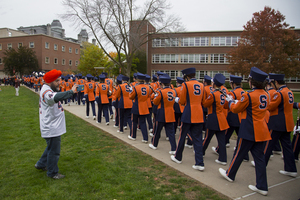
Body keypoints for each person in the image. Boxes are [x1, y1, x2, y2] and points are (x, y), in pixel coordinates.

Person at [219, 67, 271, 196]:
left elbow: (236, 109)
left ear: (252, 81)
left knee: (239, 153)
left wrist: (230, 102)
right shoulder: (266, 94)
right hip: (261, 129)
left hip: (249, 129)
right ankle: (262, 186)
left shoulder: (249, 95)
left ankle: (230, 174)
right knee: (259, 159)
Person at [35, 69, 77, 179]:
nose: (60, 83)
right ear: (50, 82)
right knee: (54, 151)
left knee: (50, 147)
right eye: (57, 81)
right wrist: (71, 92)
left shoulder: (48, 88)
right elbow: (56, 97)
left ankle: (40, 164)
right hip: (51, 126)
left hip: (52, 125)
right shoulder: (46, 92)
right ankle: (52, 172)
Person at [171, 67, 205, 171]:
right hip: (199, 113)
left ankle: (178, 157)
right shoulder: (202, 85)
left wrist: (177, 100)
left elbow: (183, 100)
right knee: (198, 139)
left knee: (182, 136)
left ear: (186, 77)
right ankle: (199, 163)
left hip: (188, 113)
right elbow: (203, 100)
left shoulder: (185, 84)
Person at [263, 73, 297, 177]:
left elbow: (271, 106)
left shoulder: (279, 93)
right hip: (287, 122)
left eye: (272, 83)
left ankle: (262, 163)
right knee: (287, 147)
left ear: (276, 82)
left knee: (268, 144)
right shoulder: (289, 92)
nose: (272, 85)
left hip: (277, 122)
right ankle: (291, 169)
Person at [202, 73, 229, 165]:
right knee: (221, 140)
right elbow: (225, 106)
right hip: (222, 119)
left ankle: (201, 152)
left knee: (207, 137)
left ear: (214, 84)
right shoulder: (223, 93)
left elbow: (205, 104)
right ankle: (223, 158)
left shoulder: (213, 94)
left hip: (213, 118)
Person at [149, 74, 177, 154]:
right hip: (171, 112)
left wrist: (155, 96)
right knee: (171, 132)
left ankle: (154, 144)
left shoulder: (161, 92)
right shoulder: (173, 91)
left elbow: (155, 102)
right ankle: (173, 148)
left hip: (162, 113)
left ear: (162, 83)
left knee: (157, 130)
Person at [128, 72, 150, 143]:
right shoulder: (148, 87)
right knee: (143, 122)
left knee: (134, 121)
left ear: (137, 79)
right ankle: (145, 138)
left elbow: (131, 97)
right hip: (144, 106)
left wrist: (130, 91)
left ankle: (133, 136)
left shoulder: (135, 87)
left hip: (136, 105)